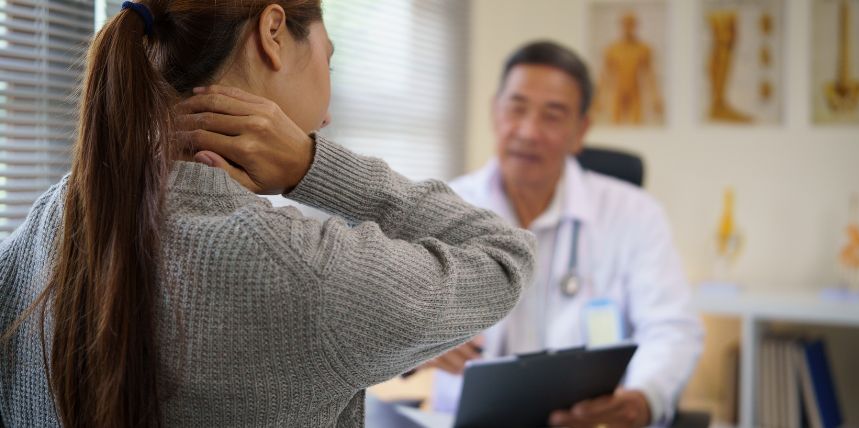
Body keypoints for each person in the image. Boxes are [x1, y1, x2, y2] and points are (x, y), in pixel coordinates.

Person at [0, 2, 535, 427]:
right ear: (273, 33)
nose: (326, 114)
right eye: (329, 58)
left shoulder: (46, 223)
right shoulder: (302, 271)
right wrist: (312, 163)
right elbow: (505, 256)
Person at [428, 41, 703, 427]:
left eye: (553, 116)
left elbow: (672, 329)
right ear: (495, 112)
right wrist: (418, 346)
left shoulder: (634, 213)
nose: (528, 131)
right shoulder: (445, 207)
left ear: (581, 131)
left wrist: (643, 397)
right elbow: (387, 315)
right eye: (516, 108)